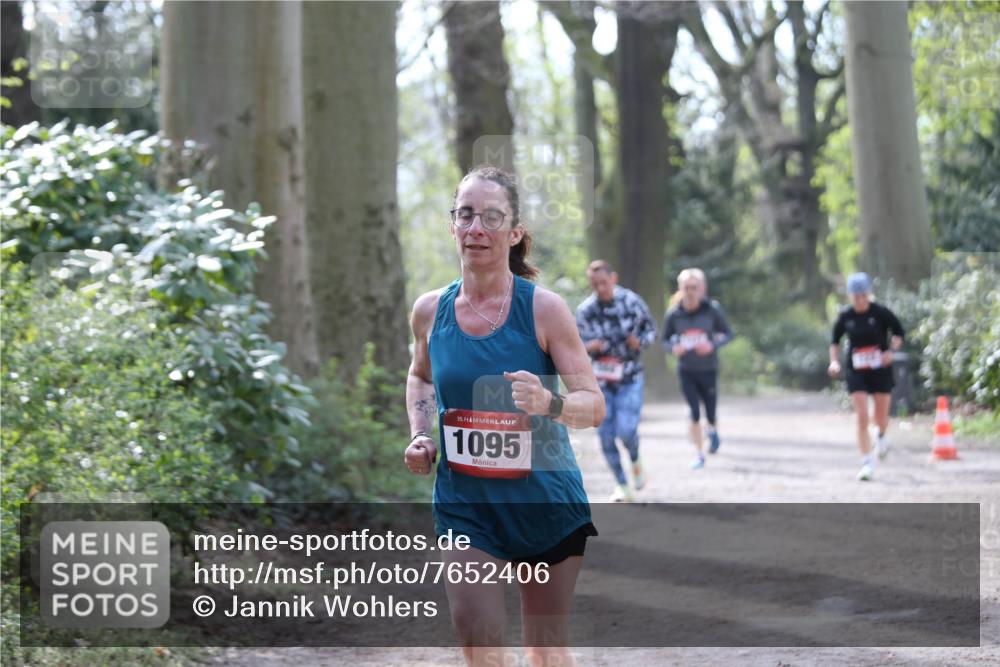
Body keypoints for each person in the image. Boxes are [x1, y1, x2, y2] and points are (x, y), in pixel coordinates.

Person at [403, 165, 605, 667]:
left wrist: (550, 403)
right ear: (452, 224)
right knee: (478, 635)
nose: (476, 228)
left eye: (492, 217)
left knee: (545, 650)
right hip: (465, 505)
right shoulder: (429, 311)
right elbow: (420, 376)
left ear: (514, 232)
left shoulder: (544, 310)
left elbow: (594, 405)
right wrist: (420, 434)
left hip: (544, 502)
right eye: (465, 215)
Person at [576, 260, 657, 502]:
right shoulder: (586, 310)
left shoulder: (631, 302)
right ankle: (622, 484)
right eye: (595, 284)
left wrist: (639, 342)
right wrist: (590, 346)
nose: (600, 288)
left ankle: (635, 459)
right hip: (600, 382)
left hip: (630, 376)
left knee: (626, 430)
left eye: (604, 282)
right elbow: (574, 346)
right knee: (605, 435)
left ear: (613, 278)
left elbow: (651, 330)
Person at [828, 272, 905, 481]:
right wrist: (834, 361)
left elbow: (899, 333)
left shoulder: (881, 312)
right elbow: (834, 341)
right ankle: (867, 462)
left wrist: (891, 351)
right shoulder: (846, 316)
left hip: (880, 369)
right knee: (862, 417)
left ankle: (881, 436)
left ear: (869, 294)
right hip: (857, 371)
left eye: (863, 295)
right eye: (855, 296)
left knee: (880, 418)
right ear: (850, 296)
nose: (860, 300)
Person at [661, 268, 733, 470]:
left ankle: (712, 430)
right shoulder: (674, 314)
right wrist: (674, 348)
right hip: (686, 370)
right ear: (680, 288)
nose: (691, 291)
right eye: (687, 287)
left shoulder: (712, 310)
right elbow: (664, 340)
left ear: (701, 288)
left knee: (710, 413)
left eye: (694, 287)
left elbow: (728, 333)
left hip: (708, 368)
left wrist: (712, 345)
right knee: (693, 412)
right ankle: (699, 454)